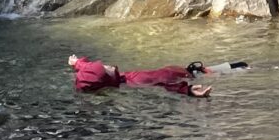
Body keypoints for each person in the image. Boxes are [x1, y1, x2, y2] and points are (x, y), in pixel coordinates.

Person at [68, 54, 212, 98]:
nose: (105, 65)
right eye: (104, 68)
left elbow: (87, 70)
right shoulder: (134, 81)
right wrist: (188, 90)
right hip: (191, 74)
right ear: (107, 79)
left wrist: (77, 63)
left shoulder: (116, 78)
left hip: (185, 73)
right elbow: (162, 84)